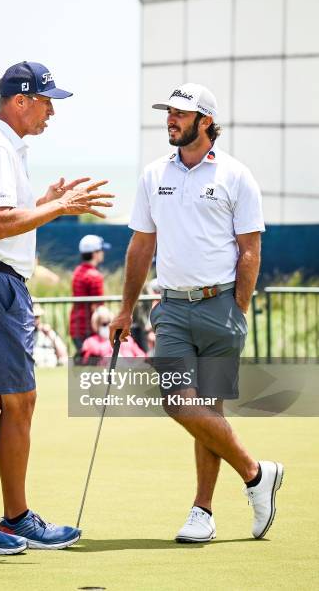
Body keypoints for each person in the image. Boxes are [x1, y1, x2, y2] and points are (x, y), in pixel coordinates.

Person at [0, 60, 114, 554]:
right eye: (46, 102)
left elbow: (5, 218)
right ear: (19, 100)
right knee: (18, 399)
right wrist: (60, 207)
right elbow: (1, 224)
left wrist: (44, 199)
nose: (50, 113)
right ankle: (8, 519)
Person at [110, 82, 283, 543]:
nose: (171, 118)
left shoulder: (235, 175)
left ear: (206, 121)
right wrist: (125, 307)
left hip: (220, 305)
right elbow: (141, 244)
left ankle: (202, 513)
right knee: (176, 399)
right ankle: (255, 473)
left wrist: (237, 309)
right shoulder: (153, 175)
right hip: (171, 308)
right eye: (169, 111)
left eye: (181, 113)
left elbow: (250, 249)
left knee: (209, 407)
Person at [69, 234, 110, 353]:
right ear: (94, 253)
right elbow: (97, 307)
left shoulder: (77, 271)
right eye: (101, 250)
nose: (103, 253)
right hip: (89, 329)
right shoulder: (95, 276)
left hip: (76, 327)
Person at [81, 306, 146, 365]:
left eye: (110, 322)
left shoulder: (126, 338)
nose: (108, 326)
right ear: (97, 325)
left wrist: (135, 364)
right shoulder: (90, 342)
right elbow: (86, 361)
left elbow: (141, 355)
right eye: (104, 324)